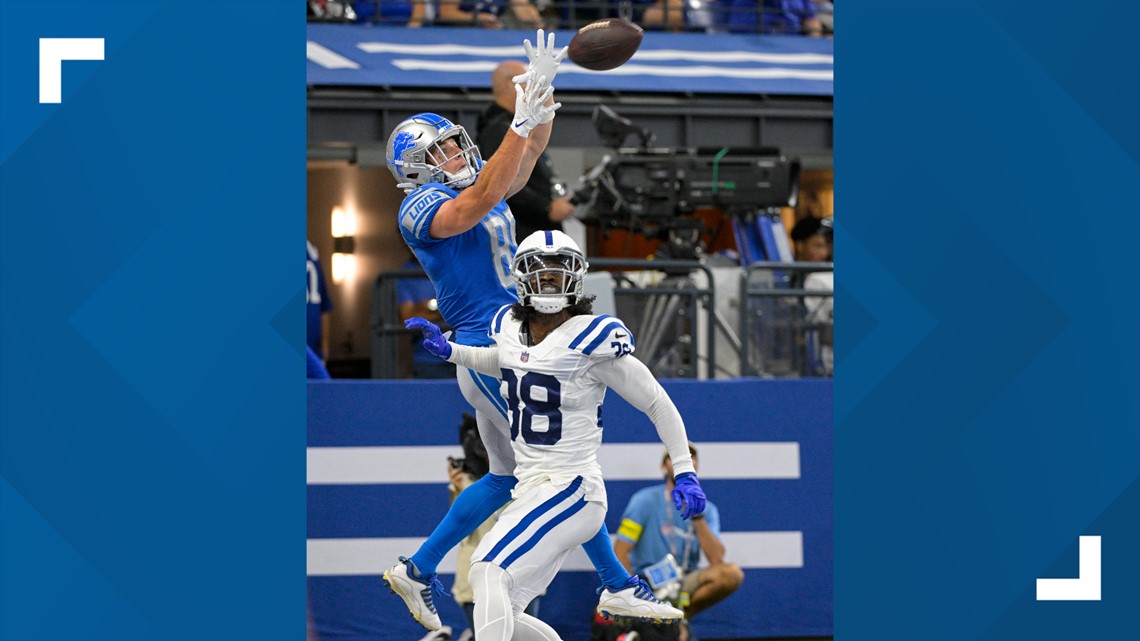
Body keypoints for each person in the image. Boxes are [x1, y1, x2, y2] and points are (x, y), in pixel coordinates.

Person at [381, 31, 681, 631]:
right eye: (439, 150)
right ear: (415, 165)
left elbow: (520, 166)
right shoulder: (421, 206)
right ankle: (616, 584)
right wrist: (517, 124)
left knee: (504, 477)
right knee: (562, 467)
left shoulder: (479, 186)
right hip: (492, 340)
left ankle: (418, 567)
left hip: (500, 342)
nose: (454, 154)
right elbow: (478, 199)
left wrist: (540, 93)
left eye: (452, 144)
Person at [405, 230, 708, 641]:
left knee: (487, 571)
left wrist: (686, 469)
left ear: (577, 277)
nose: (549, 279)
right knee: (501, 604)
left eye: (558, 271)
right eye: (540, 272)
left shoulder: (593, 338)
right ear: (522, 278)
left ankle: (616, 586)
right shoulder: (509, 328)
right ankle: (615, 587)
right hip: (533, 487)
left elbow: (657, 401)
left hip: (572, 486)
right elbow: (507, 362)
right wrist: (452, 352)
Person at [613, 445, 744, 641]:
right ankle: (660, 622)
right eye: (677, 459)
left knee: (731, 574)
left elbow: (717, 559)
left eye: (691, 460)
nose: (684, 465)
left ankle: (678, 619)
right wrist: (633, 593)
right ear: (664, 466)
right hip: (648, 581)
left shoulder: (707, 510)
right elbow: (620, 551)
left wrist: (697, 517)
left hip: (684, 581)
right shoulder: (644, 501)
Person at [476, 61, 575, 244]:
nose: (533, 88)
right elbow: (502, 181)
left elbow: (534, 148)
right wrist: (546, 207)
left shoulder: (514, 125)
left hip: (532, 229)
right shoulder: (498, 129)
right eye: (528, 81)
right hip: (522, 233)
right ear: (509, 84)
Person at [397, 255, 457, 379]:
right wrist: (443, 311)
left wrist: (423, 307)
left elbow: (462, 306)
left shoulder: (453, 264)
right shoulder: (405, 272)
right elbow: (408, 316)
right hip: (427, 360)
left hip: (461, 354)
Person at [306, 240, 333, 362]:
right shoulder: (311, 252)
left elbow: (324, 306)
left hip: (313, 350)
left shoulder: (312, 252)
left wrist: (325, 348)